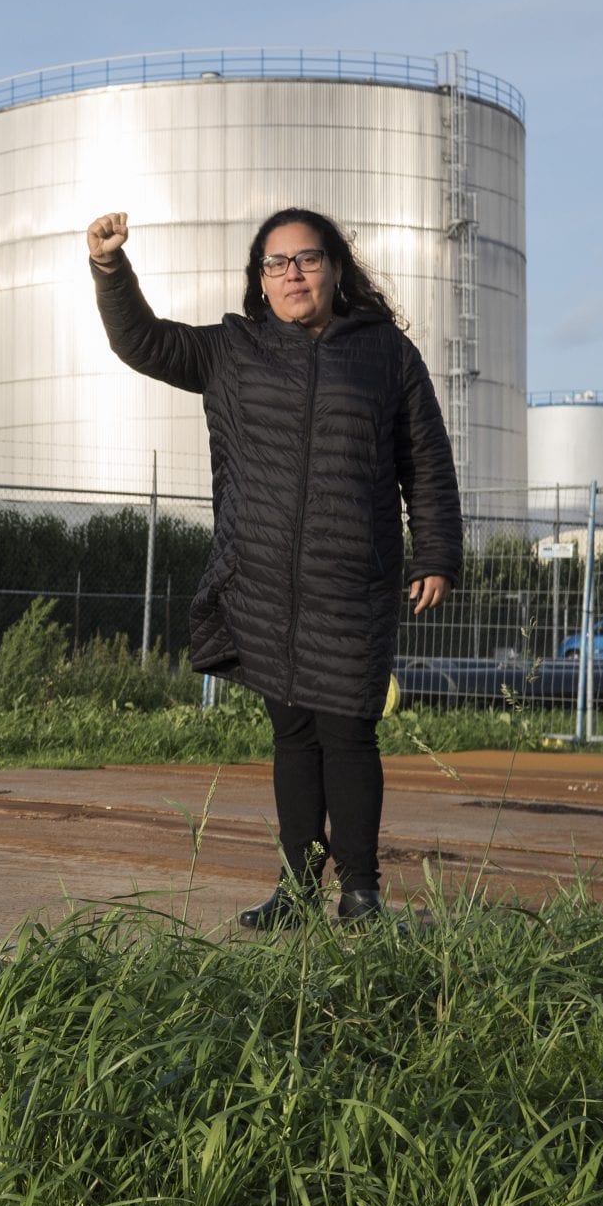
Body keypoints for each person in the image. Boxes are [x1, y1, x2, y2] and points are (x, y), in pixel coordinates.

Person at [86, 209, 461, 926]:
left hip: (351, 582)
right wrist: (110, 268)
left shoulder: (387, 354)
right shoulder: (233, 350)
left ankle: (360, 892)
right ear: (260, 280)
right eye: (277, 263)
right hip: (262, 582)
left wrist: (437, 553)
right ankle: (296, 891)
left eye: (308, 259)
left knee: (349, 732)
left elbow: (426, 461)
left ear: (335, 269)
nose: (293, 274)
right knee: (292, 737)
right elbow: (143, 341)